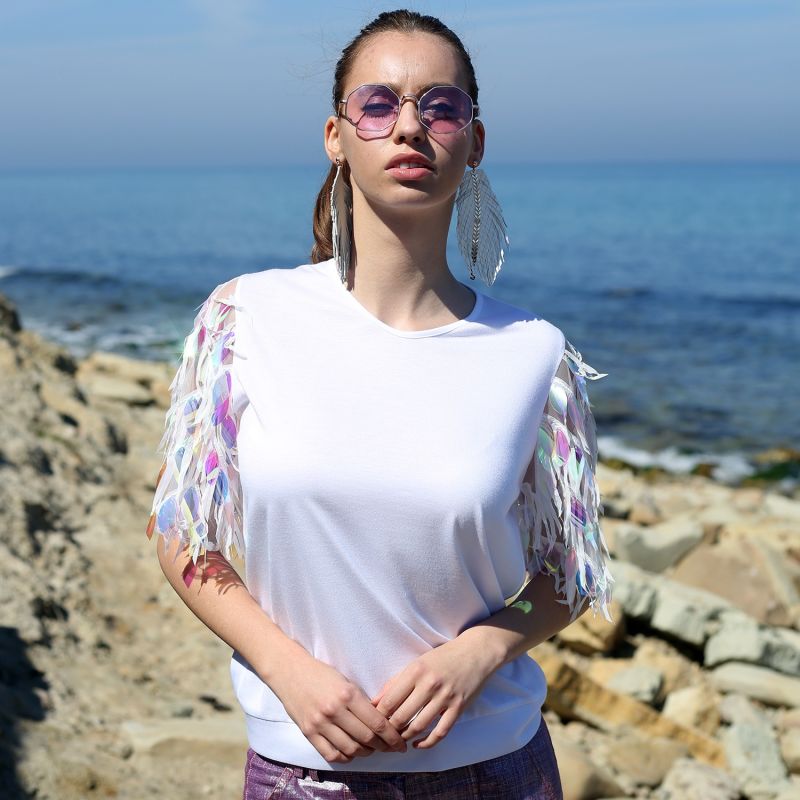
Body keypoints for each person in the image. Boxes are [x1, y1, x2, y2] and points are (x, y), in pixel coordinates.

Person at [146, 8, 614, 799]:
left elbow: (569, 567)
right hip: (304, 770)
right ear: (336, 136)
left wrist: (480, 652)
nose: (410, 127)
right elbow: (181, 537)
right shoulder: (243, 318)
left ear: (474, 140)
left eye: (441, 105)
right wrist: (288, 671)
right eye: (378, 104)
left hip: (495, 769)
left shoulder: (533, 351)